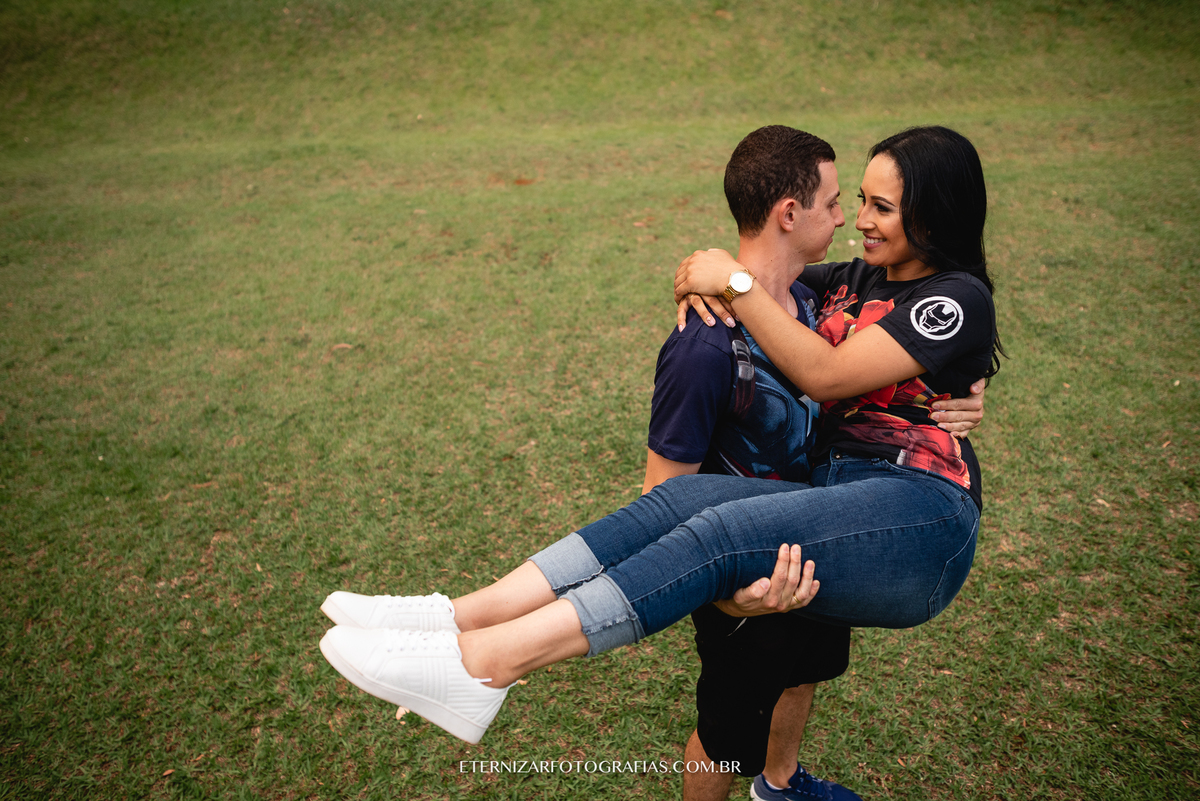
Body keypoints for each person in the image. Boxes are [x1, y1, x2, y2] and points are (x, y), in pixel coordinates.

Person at [318, 126, 1001, 797]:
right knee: (681, 501)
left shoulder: (955, 296)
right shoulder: (852, 280)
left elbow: (822, 370)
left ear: (935, 214)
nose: (859, 220)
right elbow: (764, 274)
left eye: (881, 207)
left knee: (722, 541)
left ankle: (483, 665)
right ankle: (455, 619)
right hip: (842, 499)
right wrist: (705, 275)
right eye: (857, 199)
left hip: (920, 516)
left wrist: (728, 279)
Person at [638, 126, 983, 801]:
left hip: (824, 531)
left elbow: (867, 351)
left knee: (806, 670)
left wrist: (967, 389)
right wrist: (728, 592)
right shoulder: (705, 345)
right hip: (745, 569)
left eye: (872, 205)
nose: (851, 219)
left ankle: (781, 783)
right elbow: (661, 498)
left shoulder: (817, 299)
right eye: (840, 201)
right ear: (790, 214)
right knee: (726, 732)